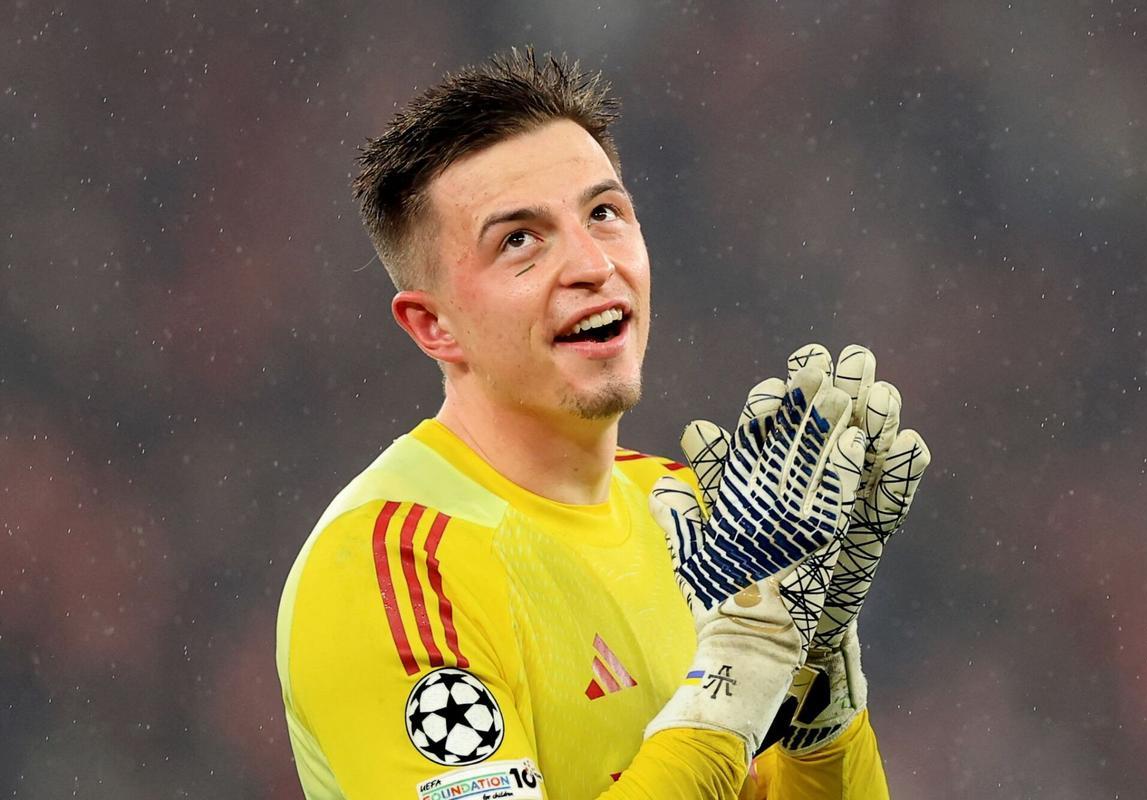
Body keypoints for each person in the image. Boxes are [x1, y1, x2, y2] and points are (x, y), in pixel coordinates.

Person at [275, 49, 929, 800]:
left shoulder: (698, 514)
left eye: (604, 214)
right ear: (434, 327)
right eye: (519, 240)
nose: (591, 264)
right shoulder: (392, 570)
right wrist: (730, 687)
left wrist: (818, 701)